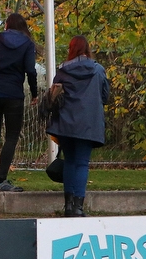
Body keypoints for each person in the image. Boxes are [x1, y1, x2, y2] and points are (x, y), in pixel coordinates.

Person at [46, 35, 110, 216]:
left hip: (65, 124)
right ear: (88, 49)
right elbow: (105, 96)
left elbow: (54, 94)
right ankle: (78, 207)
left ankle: (68, 206)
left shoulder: (63, 71)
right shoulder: (98, 70)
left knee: (70, 162)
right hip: (88, 124)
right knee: (82, 163)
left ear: (71, 50)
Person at [0, 13, 39, 192]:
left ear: (7, 25)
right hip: (13, 93)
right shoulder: (28, 44)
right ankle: (2, 180)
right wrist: (34, 93)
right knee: (11, 136)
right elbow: (30, 70)